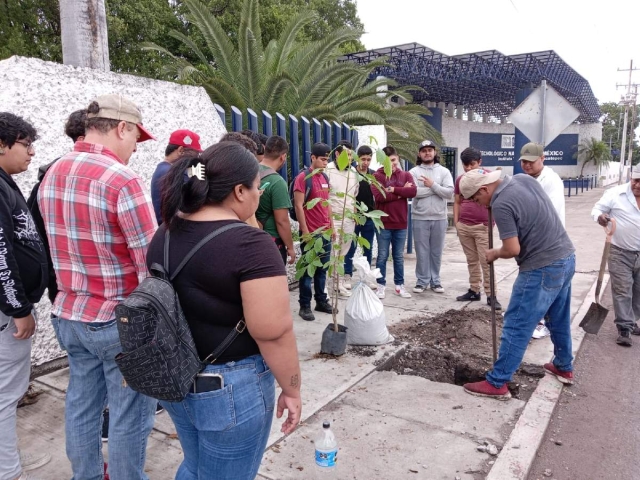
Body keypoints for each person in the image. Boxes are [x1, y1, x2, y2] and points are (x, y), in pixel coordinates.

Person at [150, 141, 301, 478]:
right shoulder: (250, 245)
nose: (259, 193)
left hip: (176, 377)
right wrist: (292, 389)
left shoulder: (165, 232)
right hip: (229, 390)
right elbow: (273, 332)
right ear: (238, 191)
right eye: (256, 187)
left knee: (195, 464)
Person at [38, 94, 158, 479]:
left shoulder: (53, 172)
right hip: (116, 322)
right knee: (128, 414)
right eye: (135, 139)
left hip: (69, 315)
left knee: (81, 406)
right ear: (121, 128)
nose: (135, 150)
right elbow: (150, 263)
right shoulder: (122, 179)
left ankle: (86, 476)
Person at [459, 169, 576, 400]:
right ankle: (564, 366)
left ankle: (498, 382)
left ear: (484, 189)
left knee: (516, 323)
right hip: (566, 257)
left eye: (476, 199)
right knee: (558, 317)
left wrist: (494, 253)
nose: (480, 205)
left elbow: (513, 249)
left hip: (540, 267)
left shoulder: (501, 203)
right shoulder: (522, 179)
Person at [0, 113, 51, 480]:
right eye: (25, 144)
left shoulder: (6, 183)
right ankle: (8, 468)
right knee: (6, 392)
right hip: (6, 314)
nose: (31, 152)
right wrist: (18, 308)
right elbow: (0, 253)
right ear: (3, 144)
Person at [27, 109, 86, 305]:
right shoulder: (50, 181)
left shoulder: (49, 178)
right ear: (82, 138)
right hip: (65, 288)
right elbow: (34, 235)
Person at [519, 142, 566, 339]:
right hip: (535, 240)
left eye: (531, 161)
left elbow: (547, 212)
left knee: (543, 284)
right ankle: (539, 319)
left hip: (547, 242)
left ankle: (541, 323)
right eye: (524, 161)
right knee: (539, 284)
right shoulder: (528, 178)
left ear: (542, 159)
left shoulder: (550, 180)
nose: (527, 165)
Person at [590, 169, 640, 346]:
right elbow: (597, 209)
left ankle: (632, 320)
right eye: (635, 180)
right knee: (622, 289)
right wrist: (601, 217)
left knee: (638, 293)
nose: (637, 185)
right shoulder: (615, 193)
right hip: (620, 251)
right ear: (630, 178)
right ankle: (624, 328)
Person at [453, 147, 502, 310]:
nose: (468, 168)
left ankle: (491, 294)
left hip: (483, 227)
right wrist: (457, 223)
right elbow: (457, 202)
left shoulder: (489, 178)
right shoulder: (461, 179)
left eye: (471, 164)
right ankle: (474, 289)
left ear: (479, 162)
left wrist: (492, 221)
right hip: (464, 226)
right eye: (465, 165)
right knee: (471, 260)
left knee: (486, 261)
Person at [294, 142, 334, 321]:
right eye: (322, 159)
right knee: (307, 271)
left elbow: (328, 205)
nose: (325, 162)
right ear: (313, 158)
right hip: (311, 233)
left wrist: (332, 226)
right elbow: (298, 205)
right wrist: (304, 230)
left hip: (325, 232)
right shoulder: (303, 178)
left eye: (327, 159)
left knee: (322, 270)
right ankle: (304, 306)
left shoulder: (325, 178)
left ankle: (321, 301)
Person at [409, 140, 454, 294]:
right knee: (421, 252)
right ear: (419, 154)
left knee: (436, 252)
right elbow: (413, 192)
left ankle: (435, 281)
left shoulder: (444, 171)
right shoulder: (413, 172)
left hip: (439, 218)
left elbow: (449, 193)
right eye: (424, 150)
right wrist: (436, 188)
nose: (427, 153)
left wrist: (432, 185)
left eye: (430, 150)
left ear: (435, 153)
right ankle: (422, 281)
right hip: (419, 217)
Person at [372, 146, 417, 299]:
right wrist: (400, 192)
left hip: (401, 223)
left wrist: (393, 189)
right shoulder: (377, 176)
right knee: (382, 256)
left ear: (398, 159)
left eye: (394, 160)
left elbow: (413, 192)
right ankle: (380, 285)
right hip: (383, 223)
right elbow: (379, 197)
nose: (393, 164)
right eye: (389, 161)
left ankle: (399, 285)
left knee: (398, 256)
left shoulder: (406, 175)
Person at [255, 135, 296, 265]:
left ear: (265, 149)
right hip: (271, 242)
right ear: (283, 157)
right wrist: (290, 247)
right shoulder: (277, 182)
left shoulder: (249, 172)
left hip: (250, 236)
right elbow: (282, 221)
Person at [326, 140, 359, 298]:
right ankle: (327, 286)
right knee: (332, 252)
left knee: (342, 253)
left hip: (348, 219)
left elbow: (354, 195)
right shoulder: (328, 170)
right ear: (337, 154)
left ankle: (338, 284)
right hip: (333, 218)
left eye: (351, 155)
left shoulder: (353, 172)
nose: (350, 158)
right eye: (347, 154)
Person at [150, 129, 202, 224]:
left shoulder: (162, 168)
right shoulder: (173, 173)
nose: (196, 159)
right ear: (181, 150)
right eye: (195, 154)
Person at [344, 145, 377, 288]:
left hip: (369, 217)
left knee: (367, 249)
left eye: (369, 159)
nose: (366, 162)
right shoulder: (351, 174)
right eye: (363, 159)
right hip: (353, 217)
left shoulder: (373, 175)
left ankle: (365, 277)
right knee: (350, 247)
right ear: (357, 158)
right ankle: (347, 276)